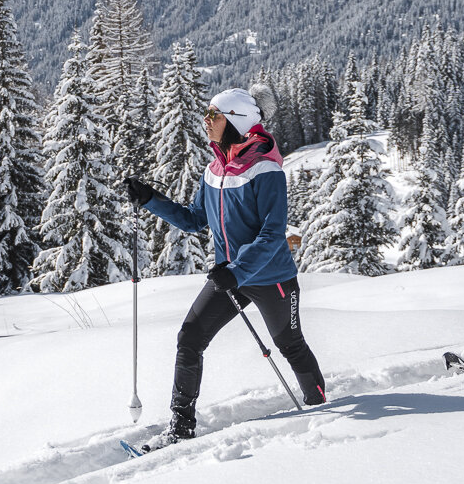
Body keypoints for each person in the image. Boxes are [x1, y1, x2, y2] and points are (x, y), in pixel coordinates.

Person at [124, 88, 326, 448]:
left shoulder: (266, 170)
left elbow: (272, 232)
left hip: (269, 278)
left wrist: (237, 270)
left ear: (235, 120)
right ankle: (181, 428)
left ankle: (320, 408)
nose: (207, 120)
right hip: (228, 275)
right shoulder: (215, 169)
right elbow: (193, 220)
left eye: (214, 114)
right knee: (189, 338)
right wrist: (151, 200)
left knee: (290, 345)